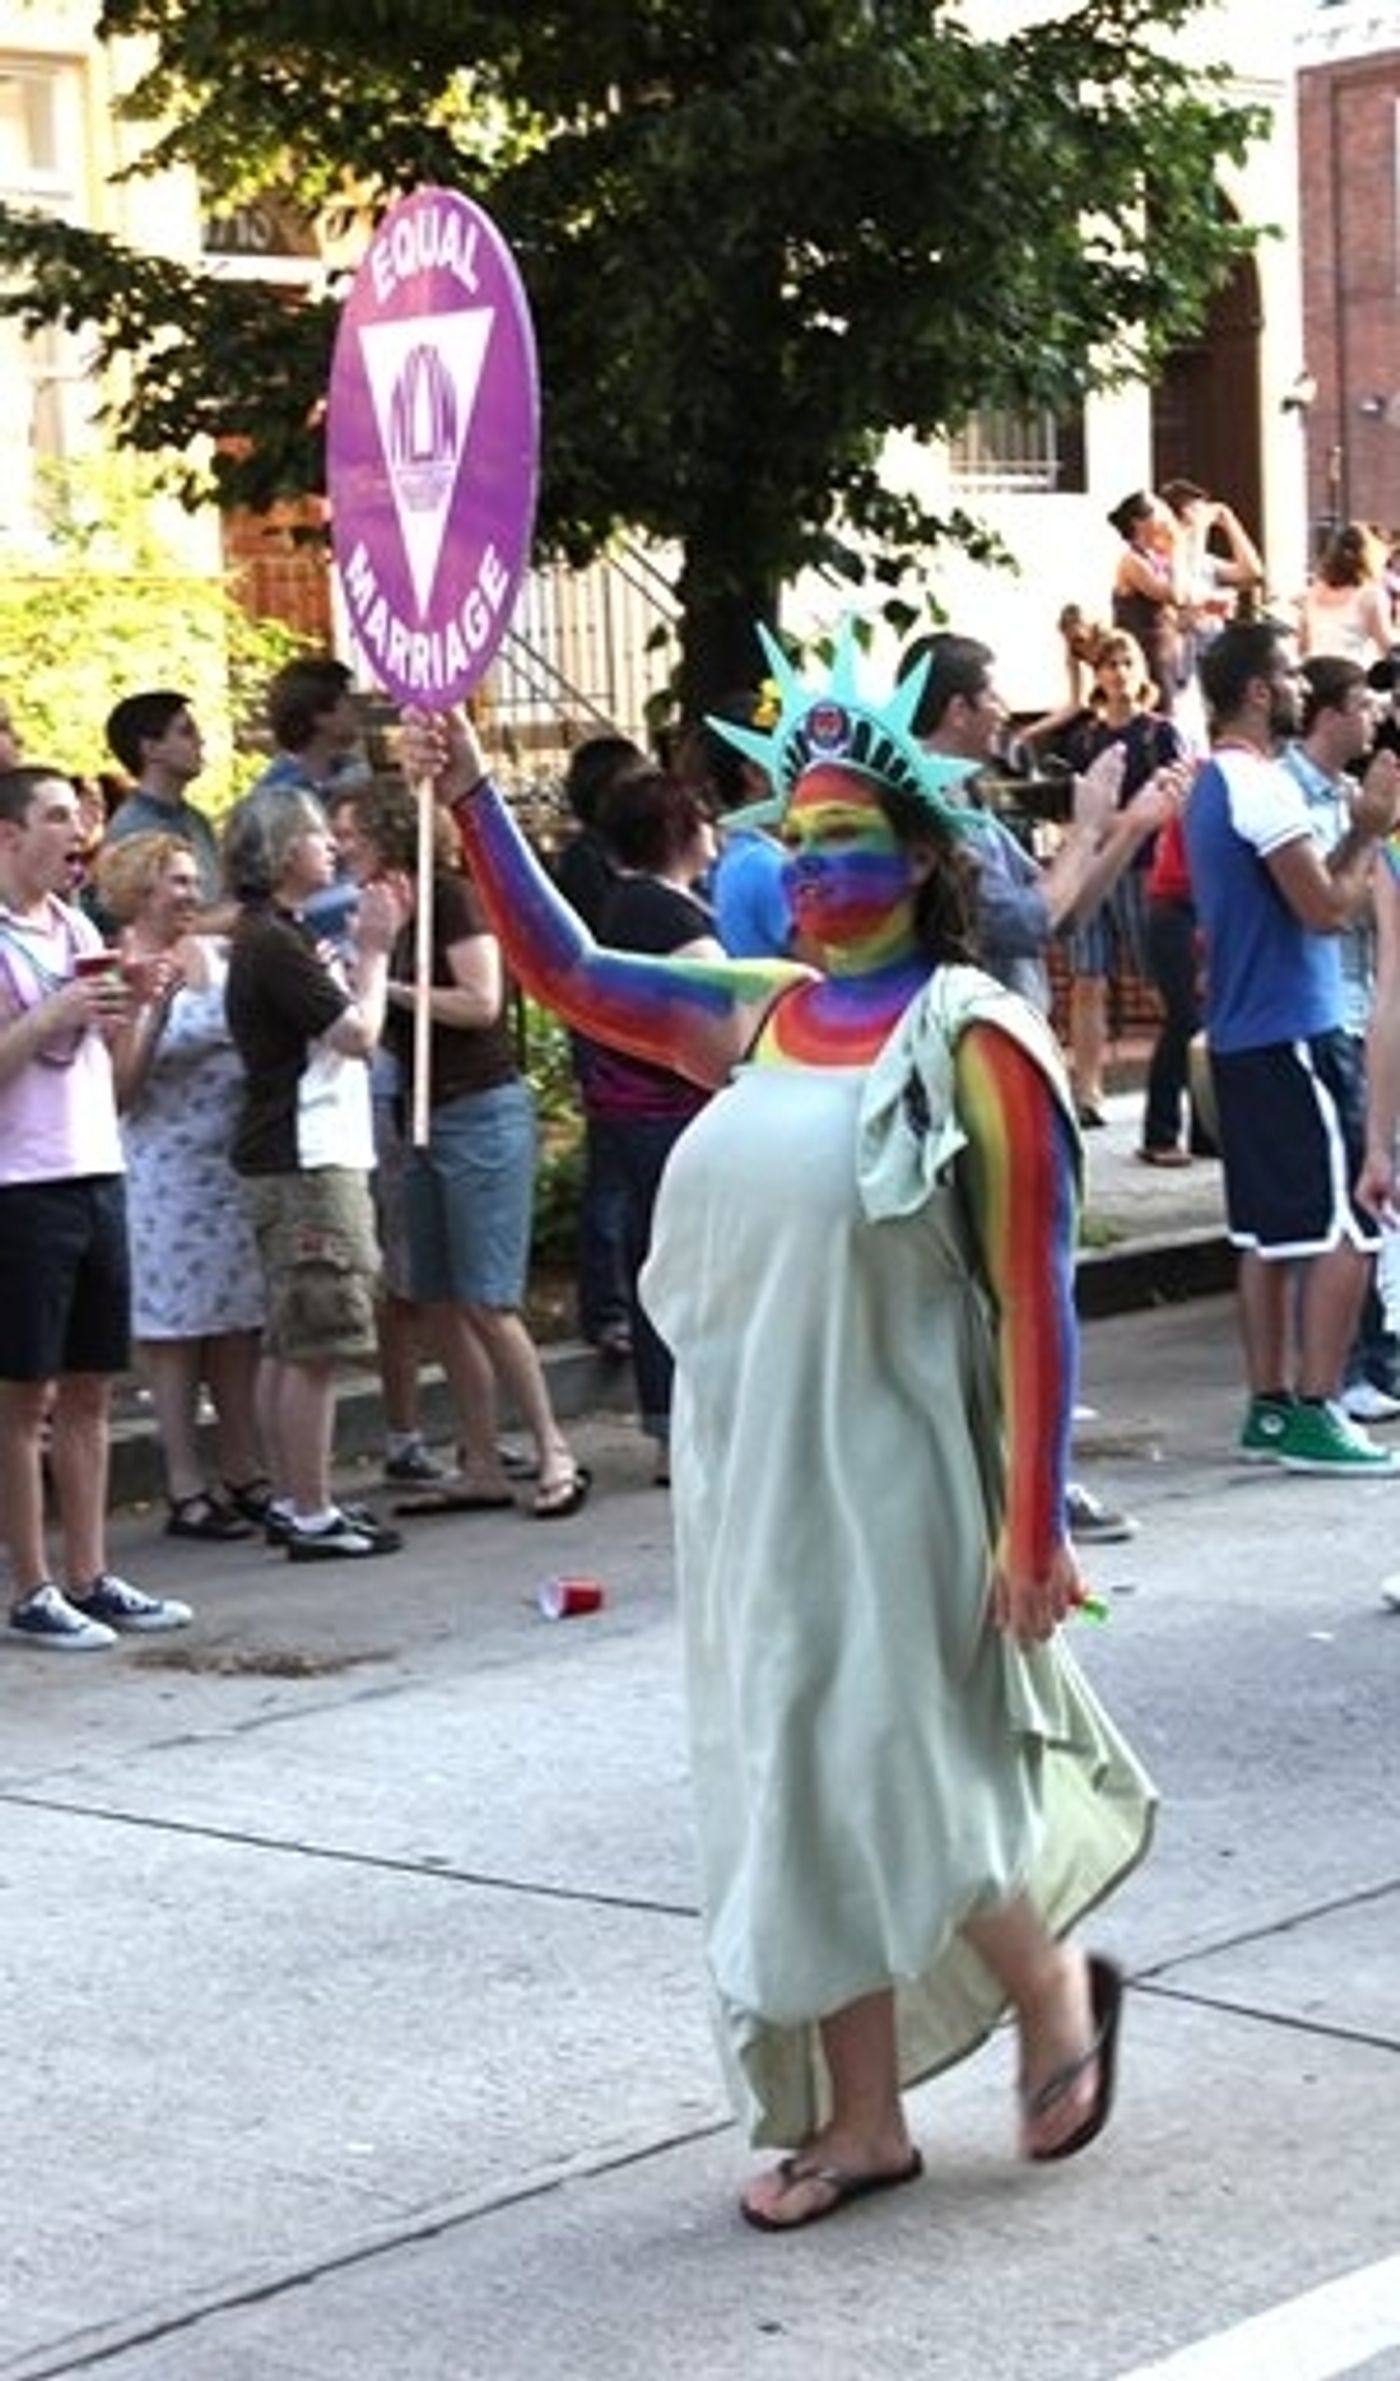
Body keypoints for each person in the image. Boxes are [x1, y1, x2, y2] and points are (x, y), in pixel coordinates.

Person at [402, 628, 1155, 2230]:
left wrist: (1036, 1523)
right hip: (748, 1476)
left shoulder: (974, 1039)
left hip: (898, 1469)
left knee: (899, 1773)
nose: (812, 870)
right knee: (792, 1787)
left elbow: (1038, 1298)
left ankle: (1051, 1992)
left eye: (846, 838)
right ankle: (865, 2118)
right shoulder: (758, 1012)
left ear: (923, 855)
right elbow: (568, 976)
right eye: (790, 843)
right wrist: (469, 789)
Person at [901, 629, 1188, 1548]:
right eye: (992, 694)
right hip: (977, 1076)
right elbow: (1026, 919)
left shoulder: (969, 807)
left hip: (1007, 1059)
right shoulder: (930, 812)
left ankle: (1020, 1478)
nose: (1004, 709)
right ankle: (1029, 1490)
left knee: (1018, 1282)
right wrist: (1097, 822)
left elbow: (1058, 915)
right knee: (1022, 1285)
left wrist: (1126, 826)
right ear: (955, 708)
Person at [1182, 619, 1400, 1473]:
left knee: (1266, 1235)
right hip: (1293, 1032)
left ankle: (1271, 1403)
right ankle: (1315, 1405)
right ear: (1260, 692)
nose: (1304, 689)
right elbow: (1325, 909)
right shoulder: (1261, 787)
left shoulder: (1211, 784)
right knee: (1353, 1220)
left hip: (1246, 1033)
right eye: (1289, 677)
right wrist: (1367, 828)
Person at [0, 764, 193, 1647]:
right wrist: (52, 1013)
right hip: (20, 1184)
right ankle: (33, 1583)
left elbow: (113, 1082)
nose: (75, 832)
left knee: (90, 1388)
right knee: (22, 1395)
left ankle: (91, 1569)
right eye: (53, 817)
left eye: (78, 817)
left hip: (93, 1167)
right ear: (8, 835)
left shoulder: (76, 924)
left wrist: (140, 1009)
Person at [363, 775, 592, 1520]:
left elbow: (481, 999)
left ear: (390, 834)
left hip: (478, 1110)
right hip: (419, 1114)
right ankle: (481, 1458)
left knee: (490, 1300)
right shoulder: (384, 912)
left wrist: (386, 988)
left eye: (351, 831)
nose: (341, 845)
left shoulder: (450, 899)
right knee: (438, 1300)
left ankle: (554, 1445)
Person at [222, 784, 406, 1560]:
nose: (330, 843)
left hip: (303, 1148)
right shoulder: (275, 942)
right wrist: (375, 950)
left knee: (291, 1335)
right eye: (313, 835)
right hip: (307, 1153)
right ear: (278, 851)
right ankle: (309, 1505)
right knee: (318, 1337)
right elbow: (356, 1033)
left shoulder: (280, 935)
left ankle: (291, 1494)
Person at [96, 829, 270, 1537]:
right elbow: (120, 1089)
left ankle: (244, 1467)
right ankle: (184, 1483)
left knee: (237, 1324)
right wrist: (152, 1009)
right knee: (174, 1332)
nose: (192, 892)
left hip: (230, 1164)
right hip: (164, 1172)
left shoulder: (221, 956)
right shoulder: (116, 969)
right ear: (138, 888)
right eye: (175, 880)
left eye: (194, 879)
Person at [590, 766, 722, 1483]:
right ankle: (687, 1428)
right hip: (671, 1114)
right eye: (703, 816)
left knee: (656, 1259)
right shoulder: (668, 917)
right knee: (689, 1269)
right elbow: (725, 1005)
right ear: (677, 831)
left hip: (634, 1114)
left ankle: (673, 1428)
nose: (715, 830)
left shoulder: (626, 905)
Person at [1279, 656, 1400, 1421]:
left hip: (1355, 1003)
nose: (1371, 715)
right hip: (1334, 1010)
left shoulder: (1361, 809)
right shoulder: (1301, 798)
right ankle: (1355, 1365)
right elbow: (1325, 905)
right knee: (1352, 1196)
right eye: (1360, 702)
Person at [1047, 629, 1186, 1127]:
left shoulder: (1160, 733)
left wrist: (1119, 822)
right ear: (1097, 674)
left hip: (1144, 865)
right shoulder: (1085, 738)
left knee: (1158, 980)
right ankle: (1088, 1090)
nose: (1118, 673)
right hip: (1092, 870)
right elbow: (1076, 803)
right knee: (1088, 978)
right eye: (1109, 664)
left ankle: (1181, 1071)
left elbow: (1178, 796)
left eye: (1127, 662)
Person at [552, 734, 646, 1357]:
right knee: (612, 1171)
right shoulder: (590, 862)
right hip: (607, 1030)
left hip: (623, 1025)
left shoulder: (610, 856)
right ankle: (606, 1307)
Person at [676, 695, 796, 960]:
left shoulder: (739, 856)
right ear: (755, 773)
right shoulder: (769, 868)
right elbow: (841, 965)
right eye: (792, 756)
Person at [103, 690, 223, 902]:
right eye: (186, 732)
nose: (200, 741)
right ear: (151, 749)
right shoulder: (133, 832)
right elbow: (149, 925)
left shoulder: (197, 821)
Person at [1107, 491, 1187, 718]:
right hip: (1146, 657)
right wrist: (1177, 547)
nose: (1165, 520)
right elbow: (1174, 594)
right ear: (1139, 522)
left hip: (1166, 656)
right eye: (1158, 513)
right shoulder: (1132, 561)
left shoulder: (1154, 557)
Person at [1299, 524, 1393, 667]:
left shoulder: (1313, 592)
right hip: (1354, 675)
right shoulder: (1370, 595)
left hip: (1316, 672)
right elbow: (1386, 645)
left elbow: (1303, 645)